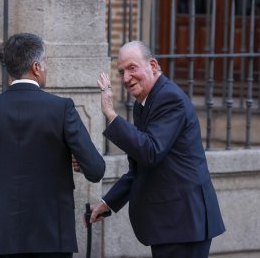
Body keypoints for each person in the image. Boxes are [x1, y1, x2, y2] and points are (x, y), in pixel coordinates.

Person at [0, 33, 105, 258]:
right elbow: (96, 169)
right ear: (36, 67)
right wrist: (80, 162)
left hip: (1, 238)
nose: (47, 68)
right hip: (52, 237)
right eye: (46, 62)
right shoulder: (61, 109)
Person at [90, 41, 225, 257]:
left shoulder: (169, 98)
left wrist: (111, 115)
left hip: (185, 223)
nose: (126, 78)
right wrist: (109, 202)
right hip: (172, 224)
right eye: (122, 71)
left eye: (132, 68)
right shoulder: (144, 102)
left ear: (152, 65)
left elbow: (150, 152)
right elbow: (139, 166)